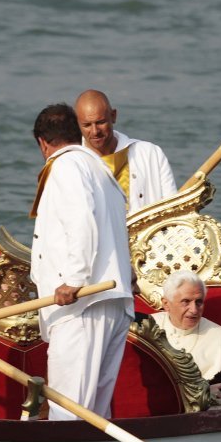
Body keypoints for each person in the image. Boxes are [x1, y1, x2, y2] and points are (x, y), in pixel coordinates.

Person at [29, 103, 133, 420]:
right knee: (93, 415)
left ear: (42, 143)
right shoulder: (100, 171)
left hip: (82, 304)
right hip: (108, 302)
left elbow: (80, 221)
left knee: (68, 410)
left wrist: (74, 280)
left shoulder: (66, 167)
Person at [74, 89, 176, 214]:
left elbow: (172, 208)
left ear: (113, 116)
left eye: (100, 122)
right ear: (77, 124)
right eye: (87, 125)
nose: (95, 131)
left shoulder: (150, 154)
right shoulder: (71, 164)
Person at [152, 271, 221, 390]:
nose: (194, 310)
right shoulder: (147, 326)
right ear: (166, 304)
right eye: (186, 301)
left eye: (199, 302)